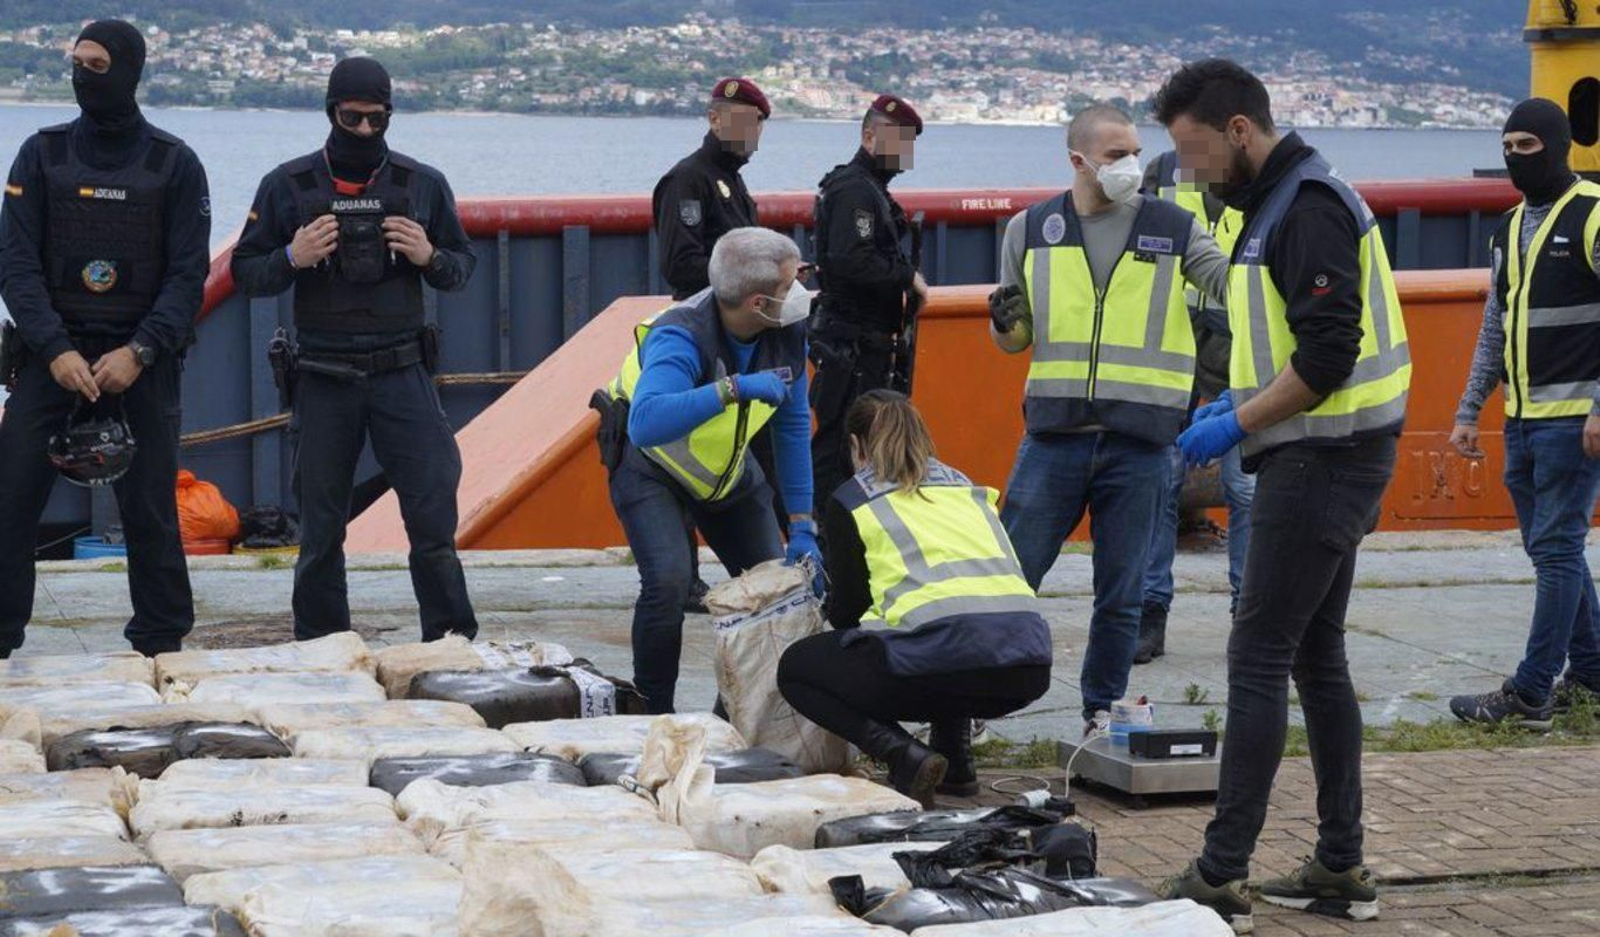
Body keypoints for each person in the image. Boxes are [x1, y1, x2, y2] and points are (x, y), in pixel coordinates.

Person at [1150, 60, 1410, 932]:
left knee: (1257, 656)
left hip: (1321, 462)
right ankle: (1339, 862)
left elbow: (1329, 356)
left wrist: (1238, 422)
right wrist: (1242, 399)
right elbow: (1293, 340)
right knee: (1316, 658)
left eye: (1193, 151)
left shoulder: (1306, 207)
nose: (1189, 172)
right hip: (1325, 454)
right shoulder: (1278, 203)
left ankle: (1222, 872)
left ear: (1238, 131)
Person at [988, 103, 1229, 735]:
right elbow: (1016, 341)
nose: (1132, 165)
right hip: (1054, 437)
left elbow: (1236, 285)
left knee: (1121, 597)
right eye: (1117, 155)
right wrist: (1004, 321)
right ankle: (970, 711)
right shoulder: (1031, 229)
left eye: (1134, 151)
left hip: (1143, 444)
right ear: (1079, 161)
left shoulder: (1173, 228)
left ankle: (1102, 713)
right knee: (1008, 582)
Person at [230, 57, 479, 643]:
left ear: (390, 114)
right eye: (353, 118)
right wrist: (293, 256)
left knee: (433, 515)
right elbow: (246, 273)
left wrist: (428, 256)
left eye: (377, 119)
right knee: (319, 529)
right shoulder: (287, 186)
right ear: (330, 112)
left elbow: (461, 268)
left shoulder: (422, 184)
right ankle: (321, 649)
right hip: (322, 373)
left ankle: (449, 645)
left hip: (402, 368)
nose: (365, 131)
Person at [0, 20, 210, 659]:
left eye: (95, 65)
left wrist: (141, 351)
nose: (81, 75)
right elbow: (15, 263)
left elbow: (187, 275)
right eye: (77, 63)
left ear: (127, 72)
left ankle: (160, 640)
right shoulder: (42, 154)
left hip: (137, 362)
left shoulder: (173, 164)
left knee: (149, 510)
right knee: (11, 501)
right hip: (51, 356)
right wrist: (56, 349)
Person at [777, 390, 1051, 807]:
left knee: (798, 668)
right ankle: (956, 762)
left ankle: (903, 755)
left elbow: (848, 615)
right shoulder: (967, 488)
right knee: (937, 637)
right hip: (1026, 668)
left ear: (856, 445)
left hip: (944, 664)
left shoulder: (855, 498)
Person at [600, 227, 820, 713]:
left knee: (773, 588)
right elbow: (646, 421)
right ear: (759, 302)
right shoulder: (681, 335)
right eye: (791, 285)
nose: (802, 293)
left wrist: (803, 525)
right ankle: (652, 713)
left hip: (725, 473)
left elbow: (791, 425)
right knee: (669, 583)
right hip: (651, 468)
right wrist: (732, 389)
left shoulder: (787, 332)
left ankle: (732, 715)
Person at [1447, 98, 1600, 729]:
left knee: (1558, 550)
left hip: (1574, 421)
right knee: (1551, 551)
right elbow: (1494, 326)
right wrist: (1468, 410)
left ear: (1559, 146)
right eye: (1506, 147)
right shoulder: (1508, 227)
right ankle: (1591, 677)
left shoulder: (1592, 216)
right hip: (1524, 418)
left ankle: (1531, 692)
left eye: (1526, 147)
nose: (1513, 158)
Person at [652, 77, 774, 611]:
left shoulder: (733, 185)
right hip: (701, 333)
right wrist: (750, 279)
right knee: (684, 453)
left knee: (742, 448)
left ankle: (757, 563)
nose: (749, 135)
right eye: (741, 121)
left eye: (758, 126)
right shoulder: (689, 181)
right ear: (715, 118)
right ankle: (685, 578)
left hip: (742, 334)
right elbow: (681, 265)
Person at [1135, 150, 1255, 663]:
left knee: (1245, 487)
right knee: (1160, 482)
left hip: (1247, 351)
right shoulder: (1161, 174)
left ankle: (1248, 617)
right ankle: (1149, 612)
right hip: (1171, 349)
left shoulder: (1257, 173)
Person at [810, 95, 926, 516]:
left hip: (867, 343)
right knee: (841, 445)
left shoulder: (872, 191)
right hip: (851, 344)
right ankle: (823, 537)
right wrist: (906, 277)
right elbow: (850, 259)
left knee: (859, 442)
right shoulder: (856, 190)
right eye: (897, 140)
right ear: (869, 136)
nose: (903, 153)